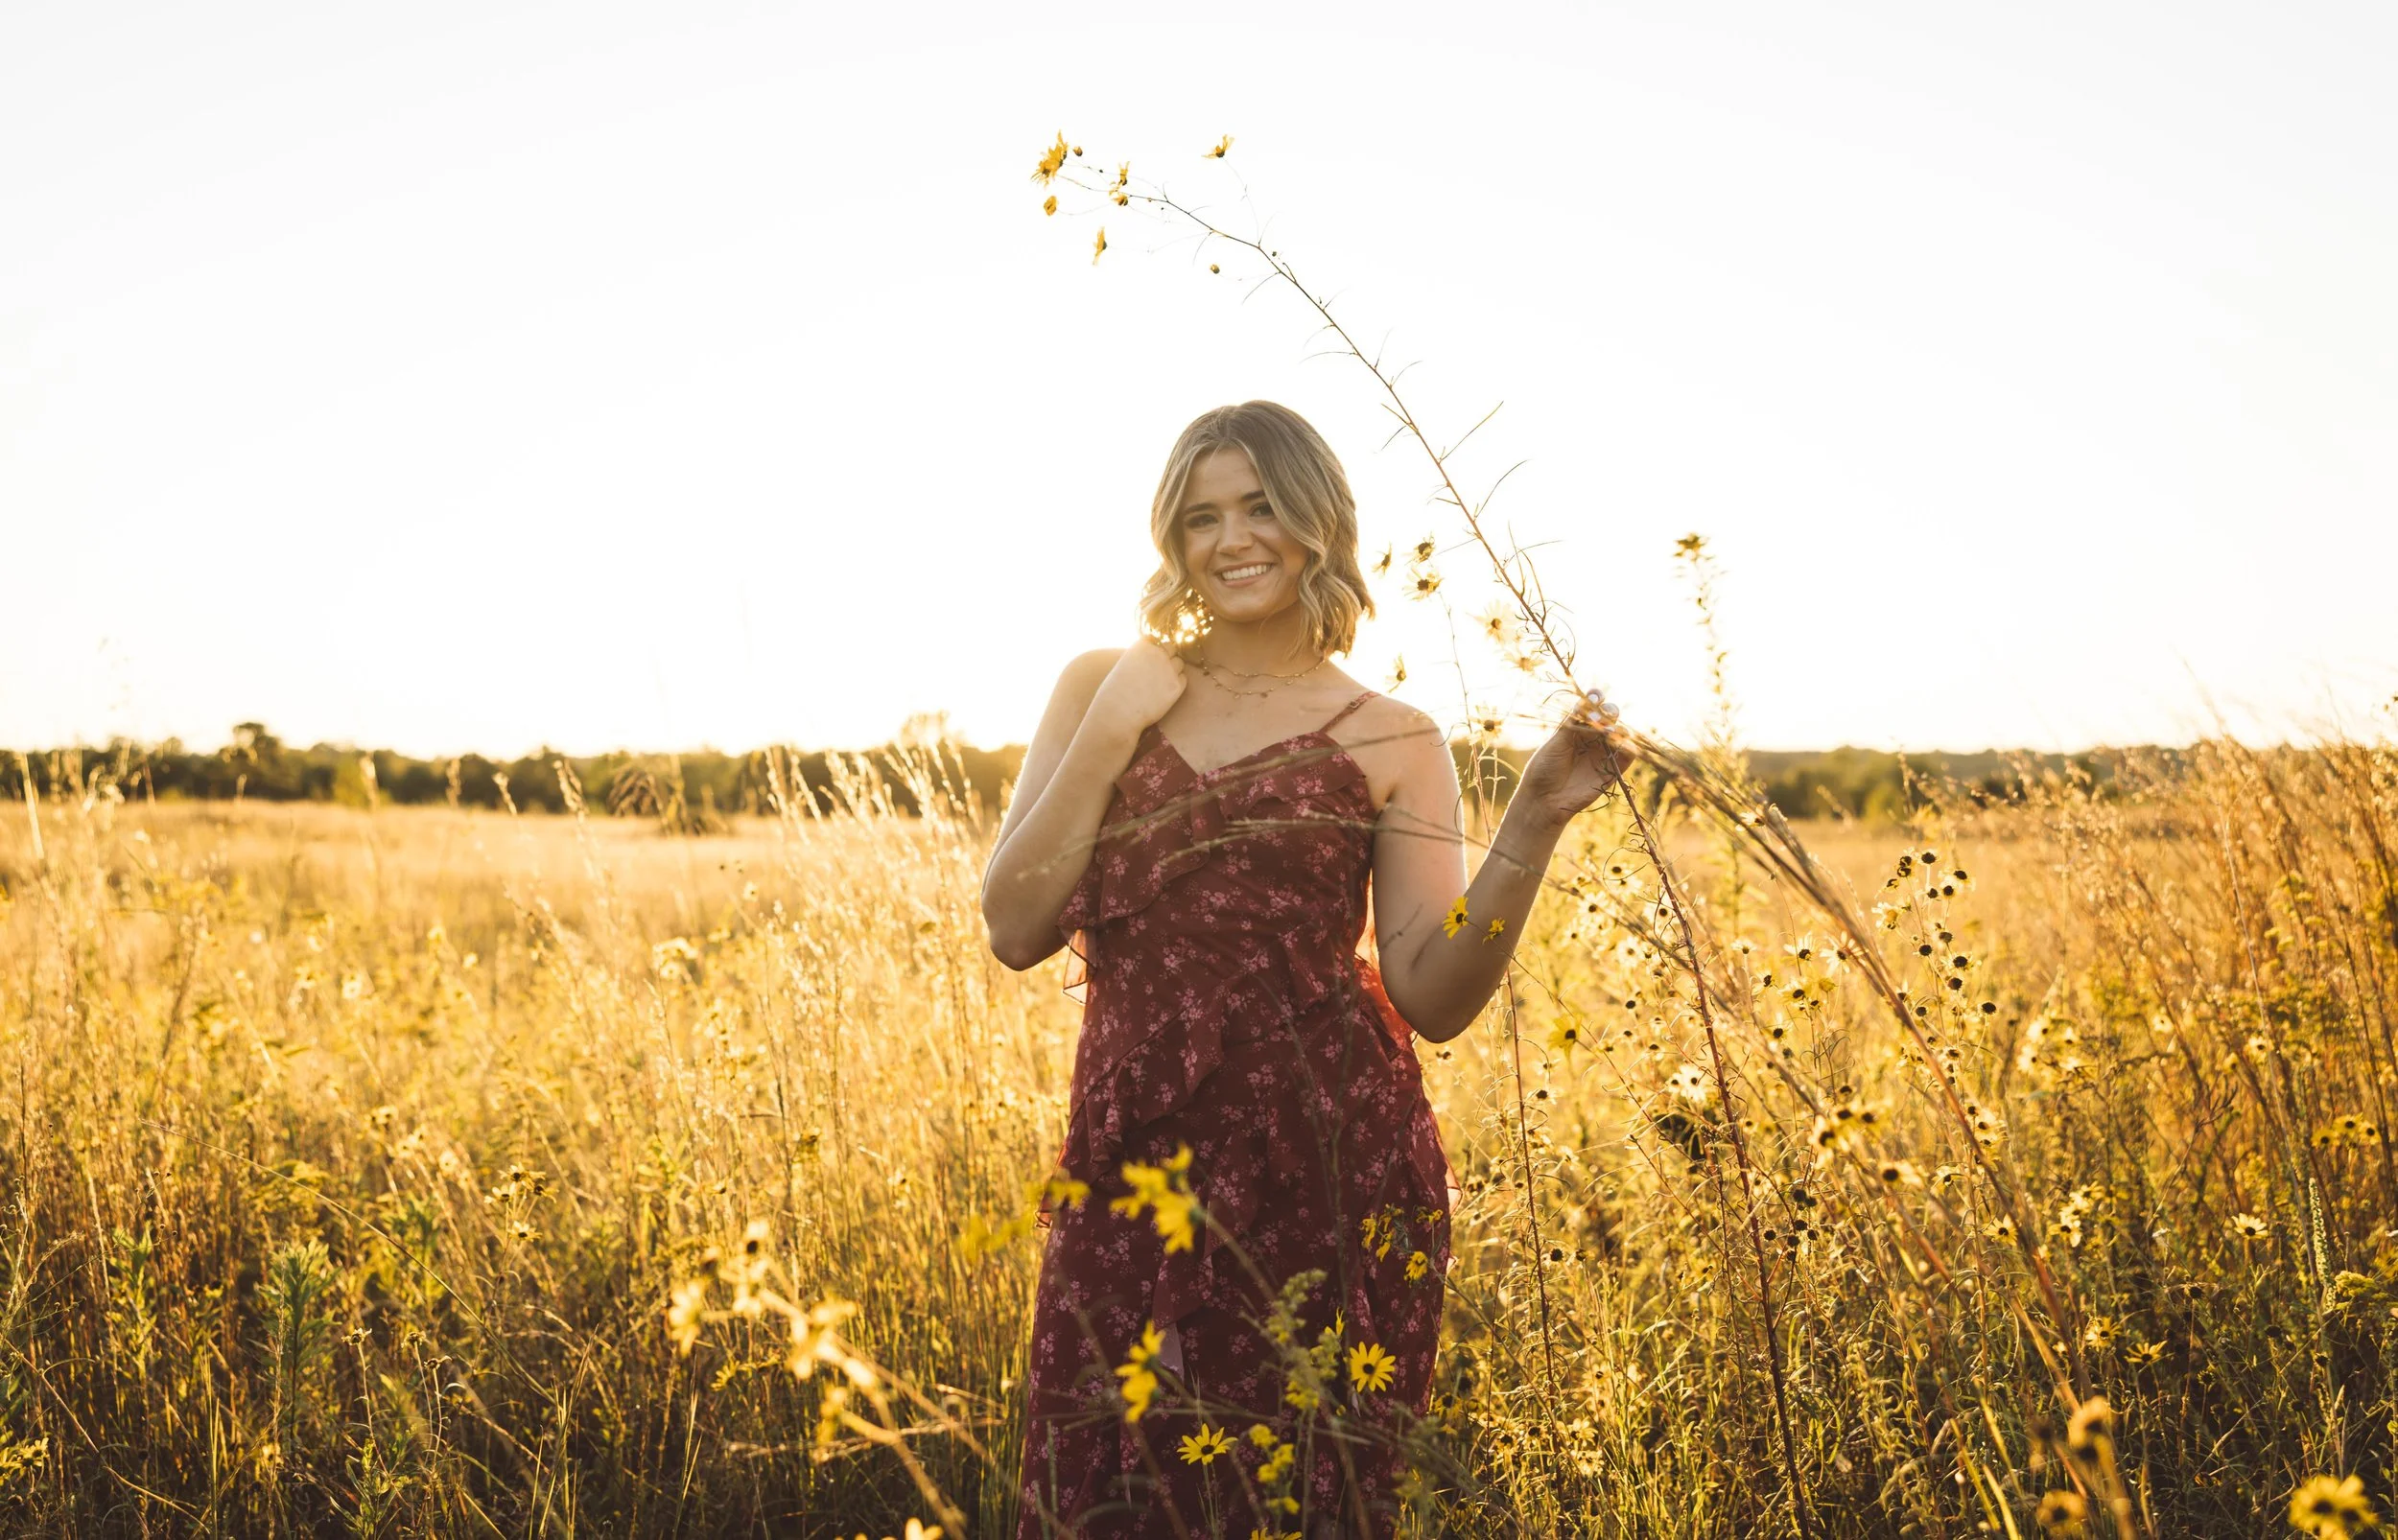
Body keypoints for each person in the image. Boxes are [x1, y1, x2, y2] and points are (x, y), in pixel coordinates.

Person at [981, 400, 1624, 1538]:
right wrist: (1115, 723)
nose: (1233, 538)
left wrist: (1530, 819)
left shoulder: (1393, 737)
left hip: (1325, 1164)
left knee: (1295, 1492)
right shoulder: (1102, 685)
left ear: (1318, 520)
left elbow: (1430, 995)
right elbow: (1014, 924)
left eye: (1262, 505)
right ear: (1169, 540)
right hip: (1130, 1159)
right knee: (1098, 1485)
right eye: (1200, 516)